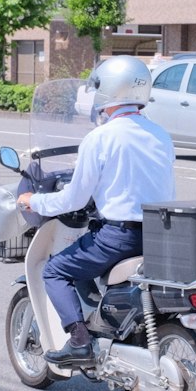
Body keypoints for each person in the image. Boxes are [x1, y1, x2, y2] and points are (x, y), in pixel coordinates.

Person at [17, 56, 175, 367]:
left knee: (55, 270)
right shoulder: (160, 134)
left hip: (119, 237)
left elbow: (74, 200)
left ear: (110, 90)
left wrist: (33, 202)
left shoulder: (100, 138)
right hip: (163, 235)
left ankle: (79, 342)